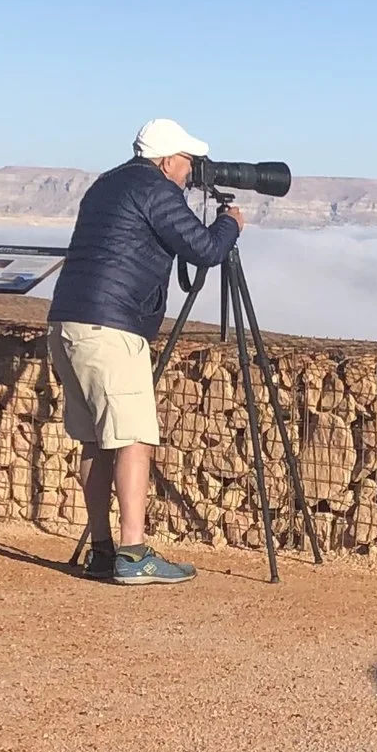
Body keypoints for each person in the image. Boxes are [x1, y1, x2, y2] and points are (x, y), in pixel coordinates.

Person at [47, 119, 241, 584]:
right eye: (187, 163)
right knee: (134, 438)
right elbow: (205, 250)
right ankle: (133, 554)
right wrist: (230, 225)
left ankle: (100, 549)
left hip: (67, 321)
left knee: (96, 441)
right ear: (166, 159)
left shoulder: (107, 183)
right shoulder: (156, 190)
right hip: (111, 329)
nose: (189, 172)